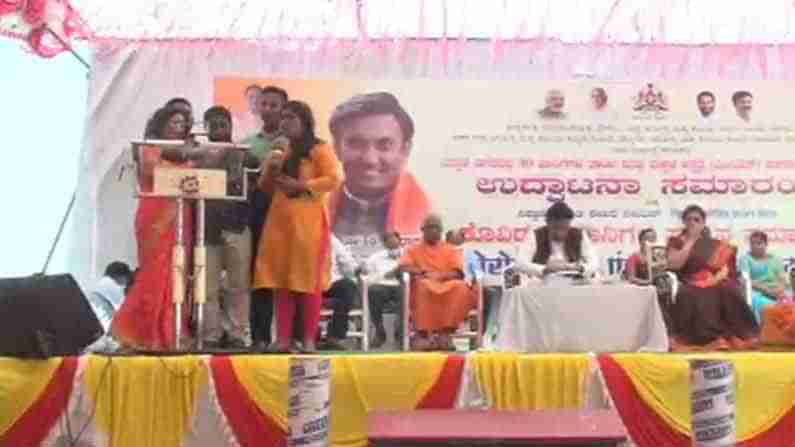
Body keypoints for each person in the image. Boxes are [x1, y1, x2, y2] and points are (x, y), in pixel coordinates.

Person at [252, 100, 344, 353]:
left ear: (305, 122)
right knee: (282, 282)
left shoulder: (318, 148)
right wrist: (271, 166)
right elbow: (264, 188)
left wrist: (303, 186)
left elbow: (334, 179)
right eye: (283, 118)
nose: (285, 122)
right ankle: (283, 340)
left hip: (308, 225)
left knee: (308, 283)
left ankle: (309, 340)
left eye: (291, 118)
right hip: (280, 224)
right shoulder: (280, 149)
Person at [113, 106, 196, 350]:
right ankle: (143, 333)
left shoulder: (184, 153)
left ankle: (171, 333)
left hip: (182, 216)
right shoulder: (148, 148)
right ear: (161, 125)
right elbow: (155, 172)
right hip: (155, 216)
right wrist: (189, 168)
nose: (179, 127)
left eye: (183, 124)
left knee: (177, 273)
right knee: (154, 273)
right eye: (174, 122)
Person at [328, 92, 431, 260]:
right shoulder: (313, 212)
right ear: (337, 148)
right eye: (356, 144)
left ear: (405, 150)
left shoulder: (431, 217)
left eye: (385, 145)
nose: (370, 159)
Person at [192, 106, 260, 349]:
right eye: (215, 125)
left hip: (237, 225)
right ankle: (210, 334)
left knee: (238, 285)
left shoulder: (244, 154)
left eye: (224, 124)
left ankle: (236, 334)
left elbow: (255, 183)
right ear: (206, 128)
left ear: (231, 126)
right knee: (206, 285)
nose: (220, 129)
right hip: (207, 228)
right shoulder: (198, 156)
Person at [666, 205, 758, 351]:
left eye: (696, 220)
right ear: (684, 222)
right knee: (692, 294)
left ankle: (738, 337)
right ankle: (710, 340)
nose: (692, 223)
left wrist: (714, 279)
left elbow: (726, 267)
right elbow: (674, 264)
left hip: (716, 279)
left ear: (703, 223)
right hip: (690, 281)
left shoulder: (713, 244)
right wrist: (690, 241)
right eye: (689, 219)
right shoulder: (676, 242)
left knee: (728, 289)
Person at [241, 85, 289, 350]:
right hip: (258, 211)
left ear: (284, 109)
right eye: (264, 104)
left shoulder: (294, 142)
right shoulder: (248, 143)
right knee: (259, 273)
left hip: (287, 213)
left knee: (285, 275)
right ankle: (259, 337)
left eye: (274, 105)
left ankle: (286, 336)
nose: (268, 109)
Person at [399, 214, 475, 351]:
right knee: (423, 286)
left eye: (437, 228)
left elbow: (457, 272)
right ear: (423, 230)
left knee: (461, 287)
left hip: (446, 282)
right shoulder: (412, 249)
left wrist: (440, 276)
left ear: (441, 231)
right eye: (430, 227)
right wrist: (422, 272)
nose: (434, 231)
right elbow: (404, 267)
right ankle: (423, 335)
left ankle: (445, 334)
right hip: (423, 282)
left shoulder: (450, 249)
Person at [513, 202, 600, 278]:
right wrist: (544, 269)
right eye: (556, 228)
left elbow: (594, 262)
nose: (560, 233)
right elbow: (520, 263)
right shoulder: (536, 235)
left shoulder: (579, 235)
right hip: (542, 283)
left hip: (573, 282)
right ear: (547, 222)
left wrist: (580, 268)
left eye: (564, 228)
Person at [625, 228, 674, 332]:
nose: (650, 241)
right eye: (647, 239)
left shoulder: (661, 256)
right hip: (644, 294)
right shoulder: (634, 257)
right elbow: (631, 278)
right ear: (640, 241)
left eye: (653, 239)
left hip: (662, 292)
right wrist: (648, 283)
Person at [363, 231, 404, 348]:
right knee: (373, 291)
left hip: (401, 285)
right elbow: (366, 272)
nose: (391, 242)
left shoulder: (408, 255)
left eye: (394, 239)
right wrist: (364, 271)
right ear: (384, 243)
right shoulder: (375, 257)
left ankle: (400, 331)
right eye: (388, 240)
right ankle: (379, 331)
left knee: (406, 293)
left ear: (400, 241)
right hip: (381, 285)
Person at [319, 236, 360, 351]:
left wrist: (356, 269)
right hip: (306, 282)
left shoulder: (330, 238)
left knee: (348, 286)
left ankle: (334, 337)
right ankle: (305, 338)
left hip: (330, 280)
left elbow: (346, 260)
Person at [738, 231, 789, 323]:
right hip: (756, 291)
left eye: (758, 243)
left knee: (788, 301)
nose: (755, 246)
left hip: (776, 291)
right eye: (752, 243)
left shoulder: (775, 259)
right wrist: (766, 290)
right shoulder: (745, 259)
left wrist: (780, 291)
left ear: (766, 244)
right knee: (755, 300)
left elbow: (783, 279)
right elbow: (745, 280)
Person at [85, 262, 134, 352]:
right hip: (101, 335)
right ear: (121, 276)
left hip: (94, 332)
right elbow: (126, 311)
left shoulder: (101, 283)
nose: (126, 284)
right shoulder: (111, 285)